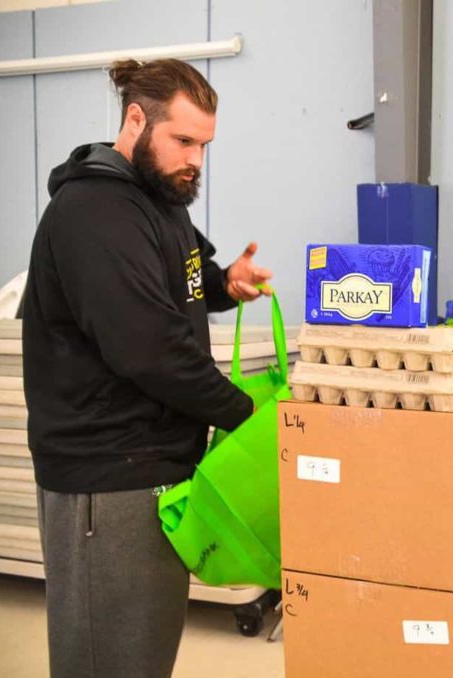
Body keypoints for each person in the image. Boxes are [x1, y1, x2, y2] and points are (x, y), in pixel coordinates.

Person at [22, 58, 272, 678]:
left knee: (143, 654)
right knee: (109, 660)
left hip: (154, 464)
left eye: (204, 145)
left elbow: (179, 280)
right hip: (106, 479)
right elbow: (147, 348)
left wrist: (224, 284)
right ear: (136, 119)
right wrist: (252, 421)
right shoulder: (94, 212)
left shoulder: (160, 199)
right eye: (183, 140)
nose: (195, 159)